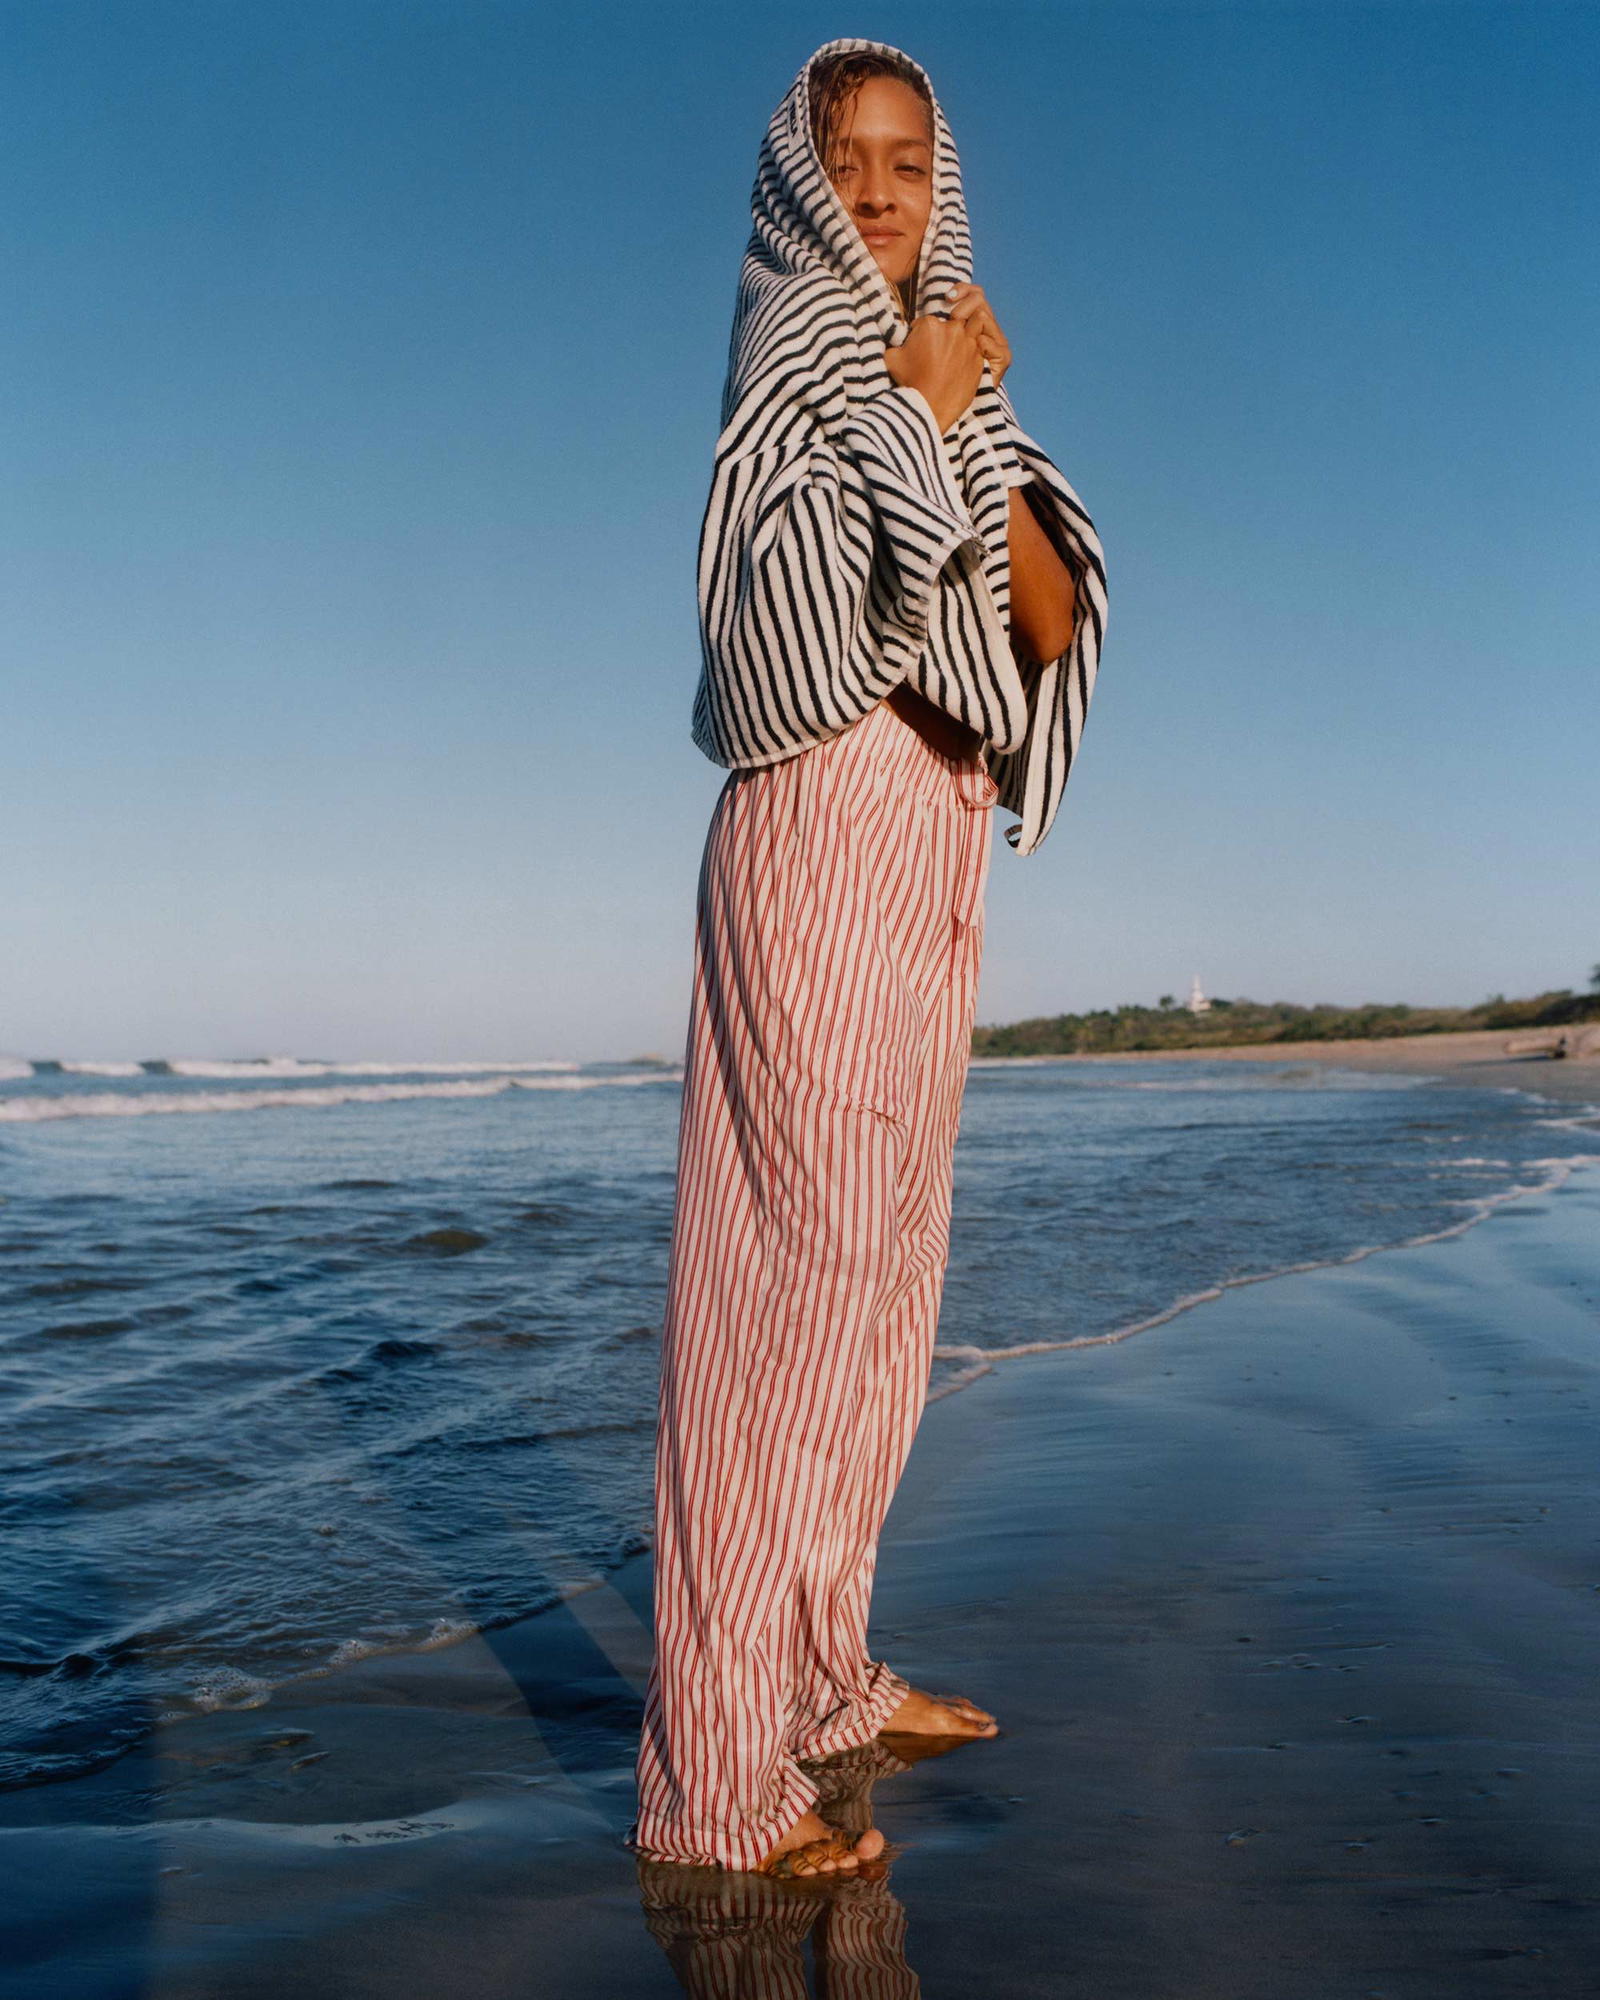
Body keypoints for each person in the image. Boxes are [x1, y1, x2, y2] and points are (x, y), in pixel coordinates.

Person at [628, 37, 1107, 1880]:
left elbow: (1040, 621)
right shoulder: (794, 360)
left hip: (930, 845)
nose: (884, 192)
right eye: (852, 161)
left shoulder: (950, 371)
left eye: (912, 161)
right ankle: (706, 1783)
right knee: (782, 1302)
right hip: (819, 822)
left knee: (886, 1293)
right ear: (800, 183)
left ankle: (822, 1679)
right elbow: (795, 647)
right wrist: (913, 414)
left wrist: (966, 420)